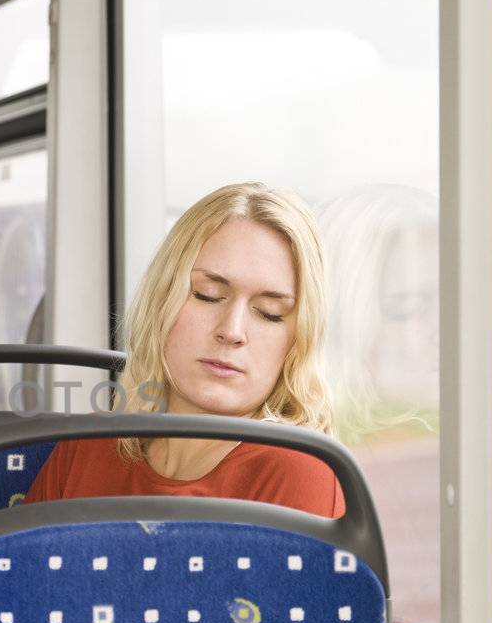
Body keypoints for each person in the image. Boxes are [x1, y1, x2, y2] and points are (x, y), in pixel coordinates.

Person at [25, 182, 344, 516]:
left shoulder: (301, 474)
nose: (231, 331)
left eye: (269, 313)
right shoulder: (86, 444)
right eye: (206, 294)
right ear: (162, 300)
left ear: (297, 341)